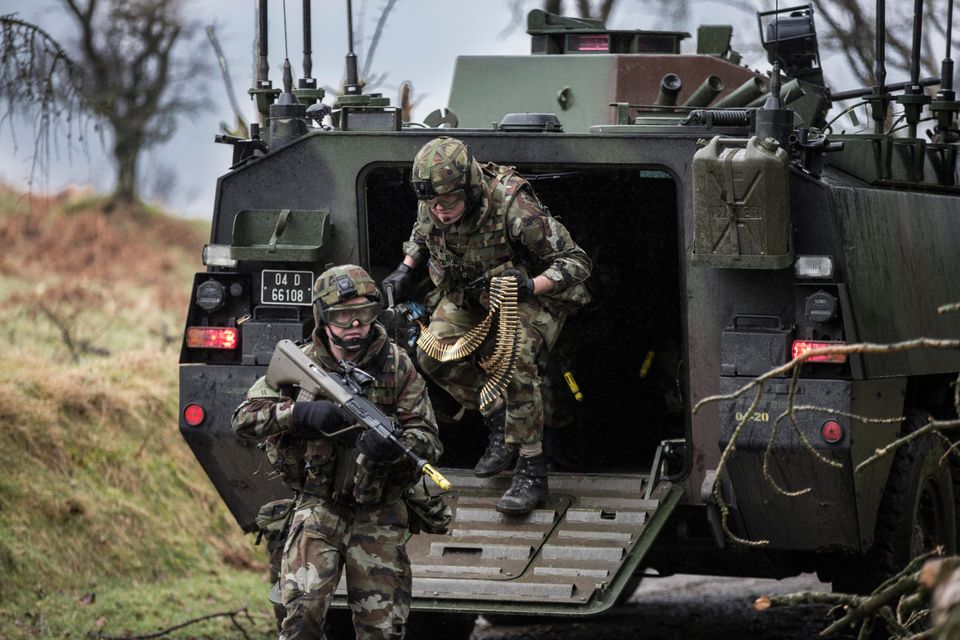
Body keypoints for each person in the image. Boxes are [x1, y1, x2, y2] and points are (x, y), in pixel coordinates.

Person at [382, 136, 591, 515]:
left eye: (449, 201)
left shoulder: (513, 206)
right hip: (470, 294)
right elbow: (422, 233)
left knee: (515, 364)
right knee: (431, 355)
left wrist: (532, 285)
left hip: (529, 295)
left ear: (470, 188)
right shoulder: (434, 201)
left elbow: (576, 262)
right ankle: (498, 419)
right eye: (433, 202)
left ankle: (531, 468)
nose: (441, 211)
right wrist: (405, 268)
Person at [232, 264, 442, 640]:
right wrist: (299, 414)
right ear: (322, 317)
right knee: (301, 619)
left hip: (379, 511)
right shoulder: (302, 361)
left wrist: (394, 449)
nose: (355, 325)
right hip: (318, 504)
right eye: (343, 316)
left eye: (364, 314)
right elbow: (243, 420)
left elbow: (428, 438)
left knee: (382, 630)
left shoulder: (397, 365)